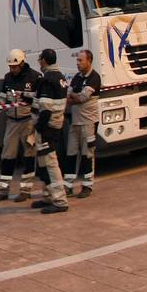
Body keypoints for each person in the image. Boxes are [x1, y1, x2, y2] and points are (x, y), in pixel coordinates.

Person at [0, 48, 41, 203]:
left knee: (28, 155)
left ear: (22, 63)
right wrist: (1, 102)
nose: (12, 70)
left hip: (28, 121)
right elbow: (4, 95)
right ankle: (3, 190)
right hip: (12, 121)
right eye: (10, 67)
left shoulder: (35, 77)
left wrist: (25, 96)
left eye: (14, 67)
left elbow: (39, 99)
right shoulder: (8, 77)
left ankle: (26, 190)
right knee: (7, 156)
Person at [31, 49, 70, 214]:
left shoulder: (47, 79)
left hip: (47, 128)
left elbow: (46, 108)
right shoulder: (60, 77)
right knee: (44, 163)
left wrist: (39, 128)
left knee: (51, 164)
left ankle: (60, 201)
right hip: (56, 125)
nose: (39, 62)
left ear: (45, 61)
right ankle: (48, 196)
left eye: (40, 59)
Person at [65, 50, 102, 197]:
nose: (78, 63)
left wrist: (74, 97)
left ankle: (87, 186)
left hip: (88, 123)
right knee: (71, 154)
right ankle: (68, 186)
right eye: (77, 61)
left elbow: (82, 97)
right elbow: (69, 95)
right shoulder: (77, 78)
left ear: (89, 60)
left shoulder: (94, 77)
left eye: (81, 60)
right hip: (75, 123)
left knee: (87, 154)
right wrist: (75, 97)